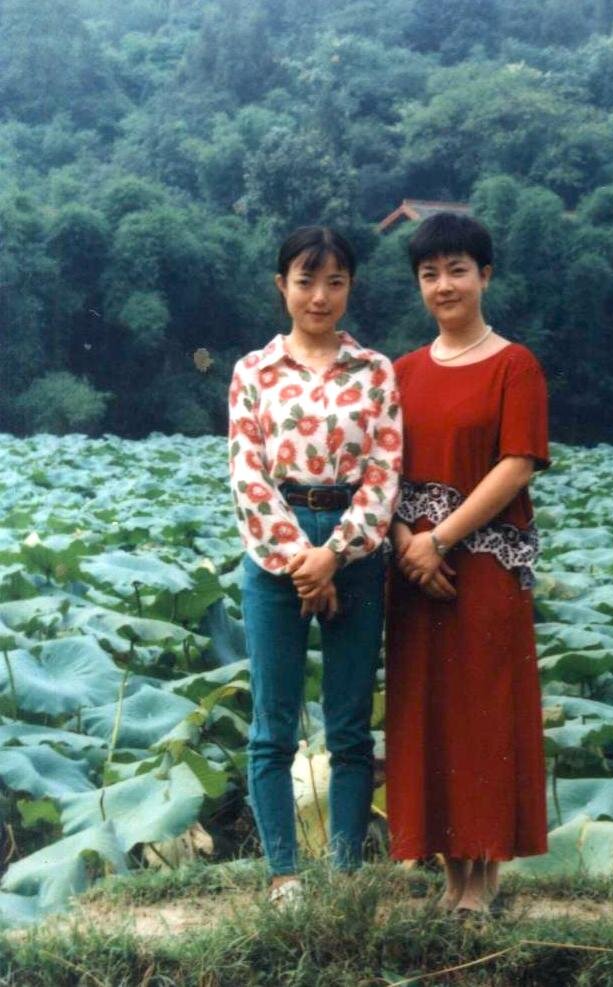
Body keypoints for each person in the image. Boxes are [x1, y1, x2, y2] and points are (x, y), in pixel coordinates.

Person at [228, 226, 402, 904]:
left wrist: (333, 552)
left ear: (350, 287)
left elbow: (384, 473)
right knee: (273, 723)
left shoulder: (375, 371)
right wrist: (300, 557)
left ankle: (345, 873)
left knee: (350, 724)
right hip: (276, 548)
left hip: (354, 549)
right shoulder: (253, 371)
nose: (319, 296)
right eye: (306, 281)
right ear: (283, 286)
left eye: (334, 282)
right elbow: (247, 474)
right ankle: (284, 873)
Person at [385, 212, 551, 913]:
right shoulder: (400, 372)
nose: (444, 285)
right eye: (430, 274)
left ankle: (482, 884)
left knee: (484, 715)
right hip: (413, 575)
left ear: (485, 275)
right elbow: (381, 472)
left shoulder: (516, 365)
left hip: (480, 570)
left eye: (457, 270)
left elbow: (517, 464)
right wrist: (406, 543)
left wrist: (439, 539)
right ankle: (451, 877)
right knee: (430, 716)